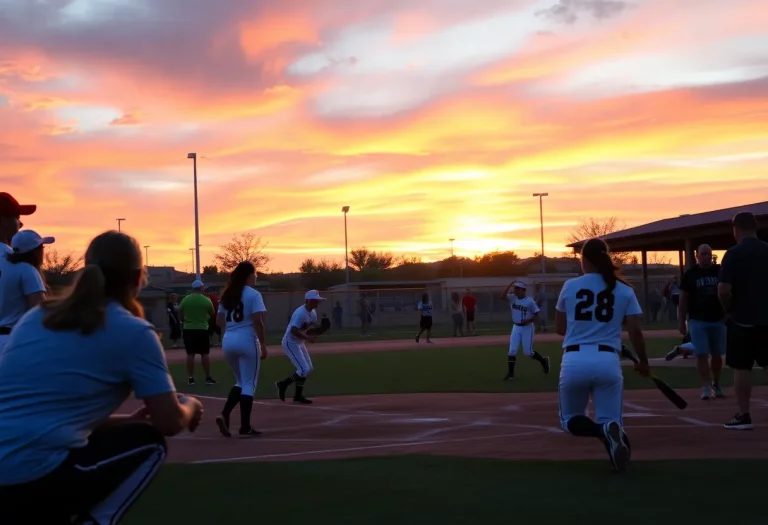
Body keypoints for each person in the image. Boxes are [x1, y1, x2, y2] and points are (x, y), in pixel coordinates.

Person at [0, 230, 203, 524]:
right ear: (137, 278)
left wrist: (124, 421)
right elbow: (169, 422)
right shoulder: (133, 331)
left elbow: (41, 413)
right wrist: (191, 405)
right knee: (149, 443)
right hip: (30, 476)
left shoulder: (37, 316)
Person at [555, 237, 650, 473]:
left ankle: (601, 433)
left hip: (574, 359)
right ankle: (611, 440)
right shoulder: (624, 289)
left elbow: (560, 328)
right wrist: (643, 361)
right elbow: (635, 330)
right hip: (608, 359)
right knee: (611, 420)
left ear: (584, 260)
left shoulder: (570, 286)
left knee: (570, 421)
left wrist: (584, 330)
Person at [718, 211, 768, 430]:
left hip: (742, 319)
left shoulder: (733, 254)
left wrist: (728, 309)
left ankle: (743, 414)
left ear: (736, 228)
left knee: (742, 368)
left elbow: (723, 290)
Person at [215, 262, 267, 438]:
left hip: (228, 339)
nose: (256, 277)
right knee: (249, 383)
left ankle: (225, 414)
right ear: (249, 275)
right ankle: (245, 426)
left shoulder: (227, 294)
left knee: (240, 381)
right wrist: (264, 345)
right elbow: (258, 321)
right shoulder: (254, 294)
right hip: (246, 339)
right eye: (255, 274)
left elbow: (219, 322)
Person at [670, 244, 726, 400]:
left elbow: (729, 291)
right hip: (698, 320)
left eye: (709, 254)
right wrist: (681, 321)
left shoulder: (719, 271)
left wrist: (727, 314)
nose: (707, 257)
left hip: (718, 319)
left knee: (717, 355)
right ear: (697, 256)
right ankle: (706, 386)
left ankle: (717, 383)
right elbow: (683, 298)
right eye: (703, 254)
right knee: (701, 353)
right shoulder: (690, 274)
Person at [0, 230, 53, 348]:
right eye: (42, 247)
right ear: (36, 251)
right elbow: (39, 311)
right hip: (14, 339)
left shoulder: (7, 270)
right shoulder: (28, 270)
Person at [275, 290, 325, 405]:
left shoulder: (312, 312)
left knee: (308, 368)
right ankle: (282, 384)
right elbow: (293, 330)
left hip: (300, 342)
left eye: (318, 300)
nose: (317, 302)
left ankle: (297, 396)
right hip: (290, 342)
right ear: (308, 301)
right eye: (315, 300)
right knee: (303, 369)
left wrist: (322, 328)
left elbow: (312, 326)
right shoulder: (300, 313)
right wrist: (308, 338)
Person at [500, 280, 550, 380]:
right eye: (515, 288)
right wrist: (509, 284)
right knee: (512, 350)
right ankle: (511, 374)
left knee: (528, 352)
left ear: (523, 290)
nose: (515, 290)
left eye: (517, 288)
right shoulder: (512, 298)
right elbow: (502, 296)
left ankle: (543, 360)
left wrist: (528, 320)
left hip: (527, 327)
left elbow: (536, 315)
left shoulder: (530, 301)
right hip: (516, 327)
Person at [178, 280, 217, 386]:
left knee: (190, 354)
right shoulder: (207, 300)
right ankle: (208, 377)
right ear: (202, 288)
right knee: (205, 354)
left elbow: (180, 312)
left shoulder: (185, 299)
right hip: (202, 329)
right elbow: (212, 313)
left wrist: (185, 320)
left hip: (189, 329)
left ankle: (191, 378)